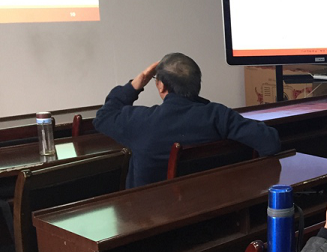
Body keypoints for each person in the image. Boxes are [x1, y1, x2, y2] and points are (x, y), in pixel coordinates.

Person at [94, 53, 280, 188]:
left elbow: (103, 116)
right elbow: (270, 142)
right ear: (197, 85)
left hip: (150, 220)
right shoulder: (217, 115)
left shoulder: (140, 121)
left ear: (161, 86)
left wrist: (138, 82)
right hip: (213, 213)